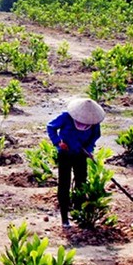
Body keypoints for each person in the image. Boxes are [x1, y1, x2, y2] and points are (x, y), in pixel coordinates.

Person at [47, 97, 105, 229]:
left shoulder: (94, 123)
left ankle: (78, 212)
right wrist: (58, 143)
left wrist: (89, 148)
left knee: (81, 182)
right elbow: (51, 127)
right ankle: (64, 217)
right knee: (64, 184)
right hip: (65, 154)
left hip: (80, 154)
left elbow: (95, 136)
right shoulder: (66, 117)